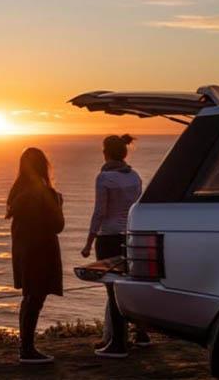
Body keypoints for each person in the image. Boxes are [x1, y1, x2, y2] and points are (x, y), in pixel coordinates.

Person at [81, 134, 150, 358]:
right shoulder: (135, 176)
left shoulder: (105, 178)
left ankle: (118, 343)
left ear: (106, 153)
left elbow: (100, 212)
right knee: (130, 285)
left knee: (113, 291)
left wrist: (89, 242)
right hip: (129, 235)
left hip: (109, 237)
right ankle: (141, 333)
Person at [6, 147, 64, 364]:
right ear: (43, 166)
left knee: (29, 298)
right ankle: (27, 349)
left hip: (23, 251)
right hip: (42, 251)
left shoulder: (17, 193)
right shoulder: (45, 193)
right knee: (35, 299)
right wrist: (59, 203)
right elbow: (58, 225)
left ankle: (25, 346)